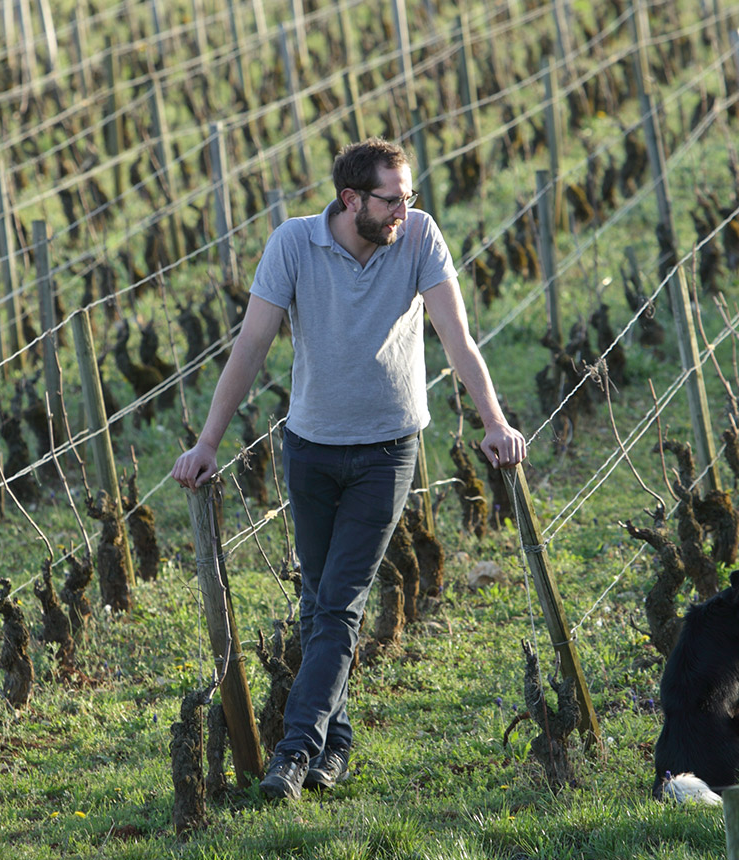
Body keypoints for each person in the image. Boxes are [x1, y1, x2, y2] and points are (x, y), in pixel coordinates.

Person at [169, 139, 525, 800]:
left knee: (338, 602)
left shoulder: (418, 237)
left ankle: (294, 754)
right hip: (309, 449)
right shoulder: (293, 245)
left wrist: (494, 422)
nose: (405, 210)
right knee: (319, 604)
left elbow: (456, 335)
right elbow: (250, 344)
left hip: (388, 450)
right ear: (351, 199)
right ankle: (337, 745)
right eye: (391, 199)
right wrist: (208, 443)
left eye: (409, 197)